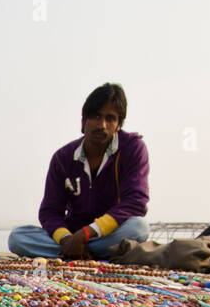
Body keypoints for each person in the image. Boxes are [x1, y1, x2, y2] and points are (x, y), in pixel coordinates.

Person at [8, 82, 150, 260]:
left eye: (110, 118)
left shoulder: (132, 148)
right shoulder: (63, 158)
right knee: (17, 238)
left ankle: (76, 252)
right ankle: (81, 251)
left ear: (119, 125)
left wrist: (86, 234)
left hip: (107, 233)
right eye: (96, 117)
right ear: (83, 122)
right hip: (71, 234)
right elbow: (50, 212)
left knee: (139, 227)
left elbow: (135, 202)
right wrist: (67, 239)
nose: (102, 125)